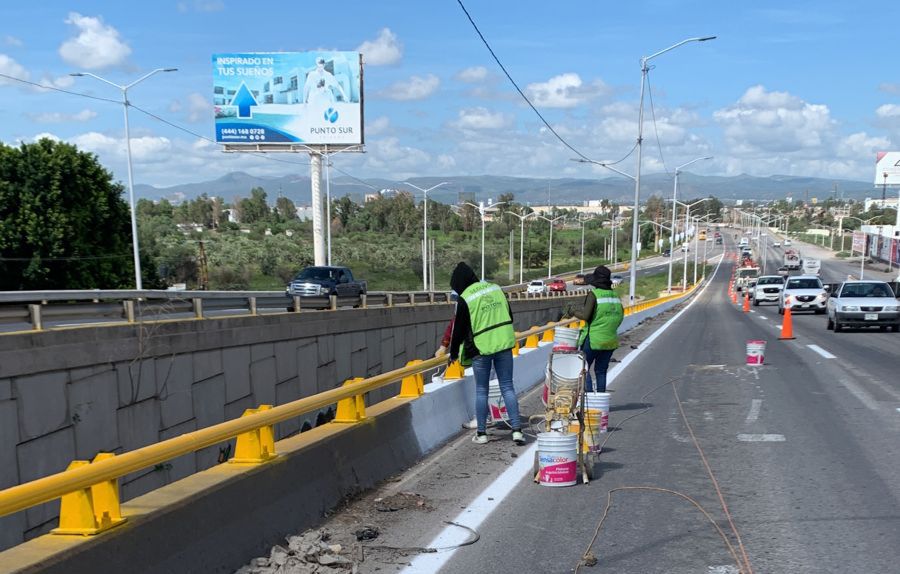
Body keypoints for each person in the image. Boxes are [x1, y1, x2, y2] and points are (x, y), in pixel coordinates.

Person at [448, 262, 525, 445]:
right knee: (507, 386)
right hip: (504, 344)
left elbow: (458, 329)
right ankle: (517, 431)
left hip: (481, 349)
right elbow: (510, 316)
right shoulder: (496, 288)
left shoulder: (465, 298)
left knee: (482, 390)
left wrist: (453, 353)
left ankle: (482, 434)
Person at [575, 265, 624, 393]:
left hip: (593, 340)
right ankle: (600, 403)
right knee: (601, 371)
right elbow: (619, 317)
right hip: (610, 340)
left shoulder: (594, 295)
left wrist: (573, 312)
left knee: (583, 368)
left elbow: (585, 316)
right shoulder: (615, 297)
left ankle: (590, 399)